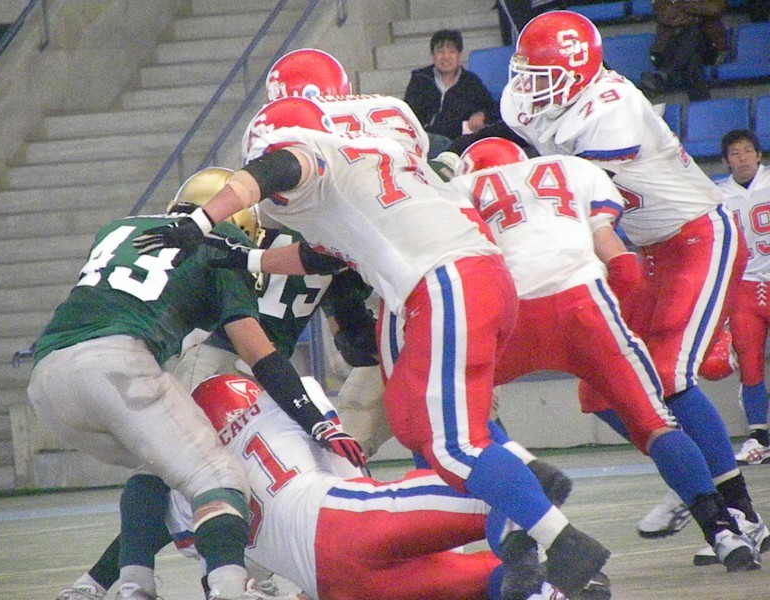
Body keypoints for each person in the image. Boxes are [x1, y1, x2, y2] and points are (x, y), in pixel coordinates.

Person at [131, 96, 613, 598]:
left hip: (444, 283)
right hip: (470, 280)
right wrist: (246, 260)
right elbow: (322, 257)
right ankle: (520, 507)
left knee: (453, 445)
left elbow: (277, 167)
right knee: (411, 418)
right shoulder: (370, 169)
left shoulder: (313, 155)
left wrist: (201, 221)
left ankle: (562, 540)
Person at [499, 9, 767, 567]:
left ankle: (736, 511)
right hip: (647, 252)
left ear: (577, 70)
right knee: (601, 391)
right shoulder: (529, 104)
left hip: (698, 236)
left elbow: (568, 188)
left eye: (541, 75)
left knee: (666, 377)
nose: (527, 88)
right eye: (525, 73)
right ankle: (691, 473)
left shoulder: (612, 107)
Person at [447, 136, 761, 573]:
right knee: (654, 420)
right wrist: (616, 314)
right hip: (585, 304)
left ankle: (525, 527)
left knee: (459, 423)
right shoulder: (569, 169)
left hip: (513, 316)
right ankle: (724, 533)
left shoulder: (460, 191)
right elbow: (620, 261)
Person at [30, 197, 364, 600]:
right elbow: (282, 348)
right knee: (197, 476)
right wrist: (314, 418)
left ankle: (117, 582)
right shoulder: (255, 238)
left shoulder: (121, 227)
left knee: (178, 471)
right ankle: (214, 585)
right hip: (233, 362)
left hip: (54, 372)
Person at [165, 372, 568, 600]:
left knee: (484, 579)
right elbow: (347, 467)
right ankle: (560, 570)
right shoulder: (279, 404)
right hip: (344, 521)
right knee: (509, 489)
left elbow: (219, 561)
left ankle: (542, 584)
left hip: (335, 588)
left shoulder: (187, 491)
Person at [718, 129, 770, 465]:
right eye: (735, 153)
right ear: (726, 161)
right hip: (744, 286)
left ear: (759, 155)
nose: (743, 158)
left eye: (748, 151)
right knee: (749, 366)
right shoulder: (717, 195)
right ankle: (760, 439)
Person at [403, 29, 500, 159]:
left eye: (452, 51)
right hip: (423, 141)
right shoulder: (420, 79)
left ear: (459, 55)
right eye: (440, 51)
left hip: (455, 144)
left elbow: (493, 109)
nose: (446, 56)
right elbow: (407, 112)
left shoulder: (471, 82)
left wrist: (482, 114)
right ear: (433, 55)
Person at [638, 0, 727, 101]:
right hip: (670, 50)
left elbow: (715, 9)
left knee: (694, 32)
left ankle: (664, 75)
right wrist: (698, 15)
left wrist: (681, 6)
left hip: (708, 49)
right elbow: (667, 16)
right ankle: (702, 105)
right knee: (692, 59)